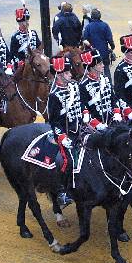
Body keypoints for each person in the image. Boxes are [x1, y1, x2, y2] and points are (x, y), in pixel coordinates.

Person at [47, 54, 81, 208]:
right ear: (59, 75)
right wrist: (61, 136)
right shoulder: (54, 96)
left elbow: (82, 105)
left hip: (81, 129)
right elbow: (53, 121)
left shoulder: (75, 87)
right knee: (66, 160)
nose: (71, 74)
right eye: (67, 73)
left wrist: (87, 118)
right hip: (66, 134)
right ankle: (62, 191)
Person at [78, 47, 131, 126]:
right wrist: (97, 124)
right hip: (96, 125)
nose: (103, 65)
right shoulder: (83, 85)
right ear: (92, 67)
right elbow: (83, 108)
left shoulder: (105, 79)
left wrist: (116, 112)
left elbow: (113, 98)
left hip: (112, 120)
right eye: (99, 64)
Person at [81, 8, 115, 80]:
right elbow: (110, 39)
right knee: (106, 69)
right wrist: (112, 47)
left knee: (92, 71)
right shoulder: (105, 25)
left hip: (92, 54)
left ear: (92, 17)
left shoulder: (88, 27)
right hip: (104, 52)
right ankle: (109, 86)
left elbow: (84, 40)